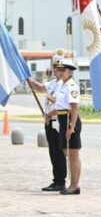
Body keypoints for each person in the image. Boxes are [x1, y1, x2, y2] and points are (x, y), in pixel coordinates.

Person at [27, 51, 67, 192]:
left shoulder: (64, 84)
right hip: (49, 121)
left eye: (60, 67)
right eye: (56, 66)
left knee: (58, 151)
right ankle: (56, 180)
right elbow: (39, 87)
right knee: (53, 151)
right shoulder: (53, 83)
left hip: (57, 121)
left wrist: (50, 113)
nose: (57, 69)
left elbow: (62, 104)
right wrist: (27, 78)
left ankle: (60, 181)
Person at [48, 58, 82, 195]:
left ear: (70, 72)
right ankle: (71, 184)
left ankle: (75, 186)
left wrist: (72, 127)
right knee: (67, 153)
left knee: (73, 154)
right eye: (59, 70)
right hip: (62, 119)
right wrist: (51, 112)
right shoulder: (62, 85)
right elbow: (61, 106)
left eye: (63, 70)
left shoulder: (72, 86)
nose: (60, 72)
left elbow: (74, 108)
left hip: (69, 120)